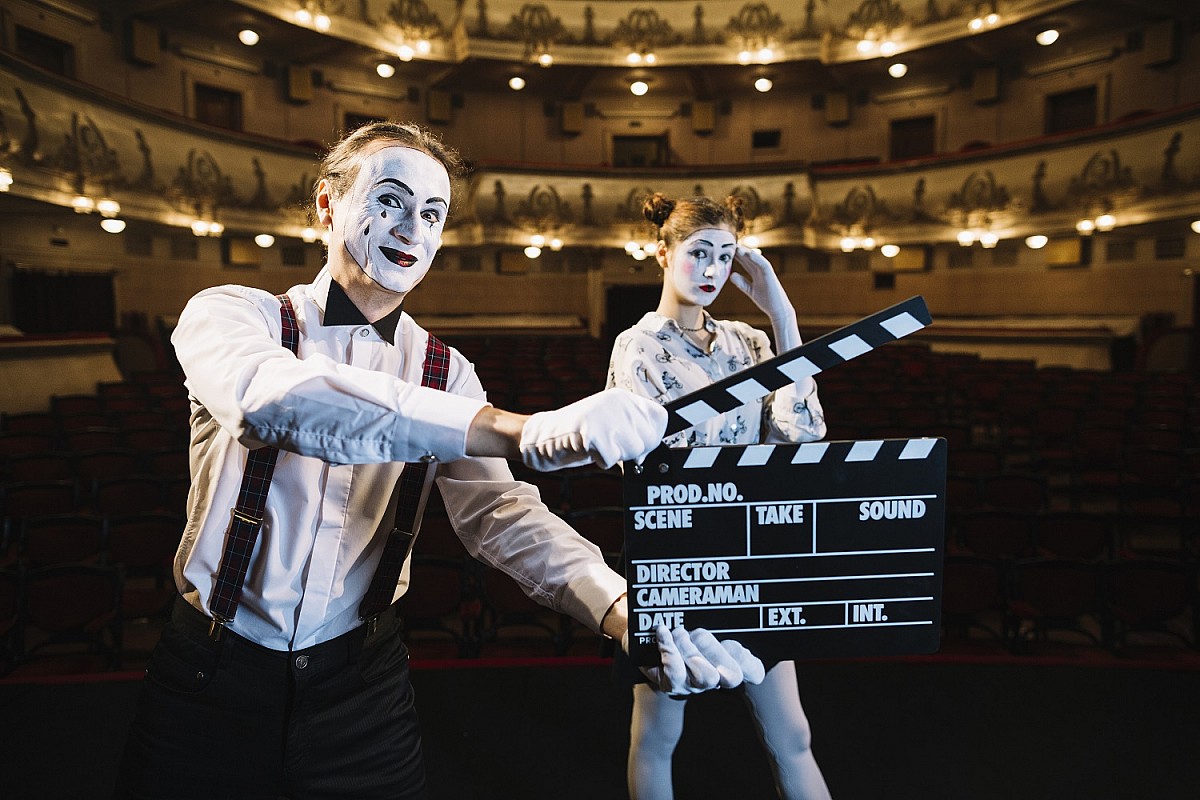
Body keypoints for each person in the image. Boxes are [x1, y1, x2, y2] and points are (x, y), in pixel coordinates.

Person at [113, 122, 761, 800]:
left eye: (432, 214)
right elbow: (275, 400)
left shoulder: (446, 372)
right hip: (208, 675)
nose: (411, 228)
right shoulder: (231, 316)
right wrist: (521, 430)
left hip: (362, 685)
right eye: (390, 200)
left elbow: (502, 515)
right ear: (327, 206)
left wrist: (624, 609)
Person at [607, 193, 833, 800]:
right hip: (678, 563)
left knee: (794, 733)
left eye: (725, 257)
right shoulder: (638, 349)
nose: (711, 270)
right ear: (663, 253)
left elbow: (799, 436)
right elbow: (649, 468)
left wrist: (783, 317)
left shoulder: (750, 343)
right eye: (698, 253)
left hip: (755, 561)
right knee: (659, 731)